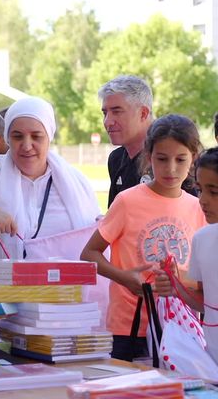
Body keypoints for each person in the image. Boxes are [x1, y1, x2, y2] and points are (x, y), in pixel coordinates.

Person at [81, 114, 206, 362]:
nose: (171, 169)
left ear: (193, 159)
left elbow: (203, 277)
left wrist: (181, 281)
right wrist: (124, 278)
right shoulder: (128, 201)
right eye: (162, 159)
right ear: (148, 157)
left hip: (179, 328)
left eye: (180, 160)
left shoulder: (199, 207)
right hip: (129, 327)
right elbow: (89, 253)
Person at [0, 96, 100, 264]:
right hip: (2, 290)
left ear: (49, 137)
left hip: (66, 290)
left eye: (36, 136)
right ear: (8, 139)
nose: (27, 145)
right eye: (18, 136)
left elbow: (95, 244)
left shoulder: (76, 183)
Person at [155, 147, 218, 365]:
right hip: (212, 362)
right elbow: (206, 305)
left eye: (214, 192)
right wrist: (176, 288)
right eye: (200, 190)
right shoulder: (202, 239)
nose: (203, 200)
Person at [99, 75, 154, 206]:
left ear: (143, 113)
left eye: (117, 111)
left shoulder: (169, 158)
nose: (107, 122)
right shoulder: (116, 159)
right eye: (105, 113)